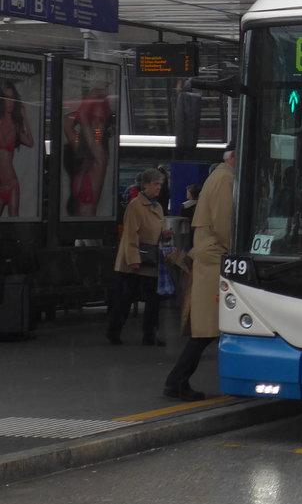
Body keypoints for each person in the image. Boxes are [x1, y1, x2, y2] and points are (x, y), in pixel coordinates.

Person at [163, 146, 236, 402]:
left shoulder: (218, 177)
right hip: (215, 258)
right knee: (206, 330)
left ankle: (177, 381)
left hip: (210, 256)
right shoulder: (226, 178)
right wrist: (236, 250)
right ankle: (176, 381)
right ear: (234, 156)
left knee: (207, 329)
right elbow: (224, 223)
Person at [108, 168, 171, 346]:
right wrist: (133, 259)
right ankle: (115, 331)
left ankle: (150, 334)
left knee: (153, 299)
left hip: (149, 258)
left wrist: (163, 234)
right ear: (145, 185)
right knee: (126, 298)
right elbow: (130, 234)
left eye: (160, 184)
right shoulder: (135, 205)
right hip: (135, 260)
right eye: (156, 184)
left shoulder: (157, 206)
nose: (159, 188)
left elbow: (152, 230)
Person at [63, 79, 114, 217]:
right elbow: (67, 122)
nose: (96, 124)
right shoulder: (82, 148)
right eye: (93, 118)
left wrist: (95, 93)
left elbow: (83, 119)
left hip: (89, 230)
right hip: (76, 229)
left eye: (100, 120)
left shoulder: (101, 158)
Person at [0, 80, 34, 218]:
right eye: (6, 98)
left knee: (14, 224)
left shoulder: (15, 125)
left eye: (12, 98)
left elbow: (30, 142)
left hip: (12, 184)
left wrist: (25, 117)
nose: (10, 102)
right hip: (1, 185)